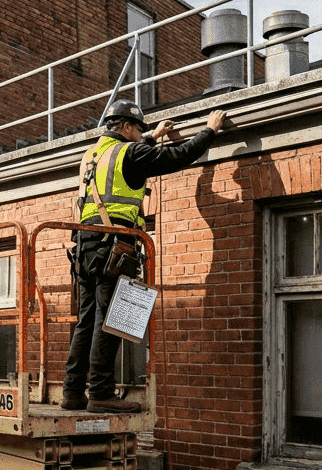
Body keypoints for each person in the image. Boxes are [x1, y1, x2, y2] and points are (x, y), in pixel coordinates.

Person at [64, 100, 228, 413]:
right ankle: (100, 393)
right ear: (126, 127)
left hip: (85, 247)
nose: (141, 135)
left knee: (86, 321)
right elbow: (176, 156)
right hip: (113, 245)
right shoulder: (131, 152)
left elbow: (130, 158)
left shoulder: (93, 154)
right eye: (139, 129)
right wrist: (209, 131)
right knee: (109, 320)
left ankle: (73, 392)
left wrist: (152, 135)